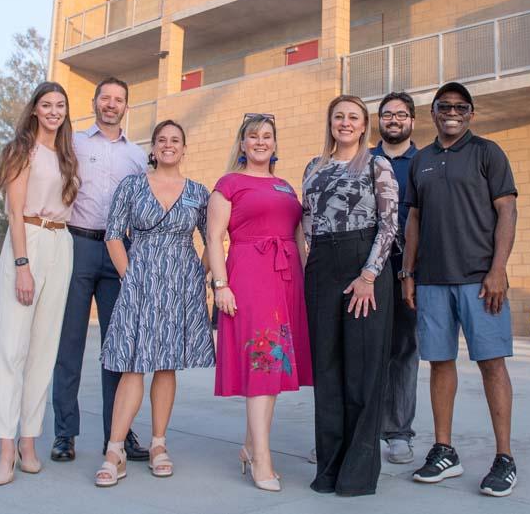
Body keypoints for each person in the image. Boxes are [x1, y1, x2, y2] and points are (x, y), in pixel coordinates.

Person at [401, 82, 519, 497]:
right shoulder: (422, 161)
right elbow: (413, 219)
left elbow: (507, 210)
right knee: (439, 363)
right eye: (444, 106)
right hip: (432, 280)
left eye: (460, 107)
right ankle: (444, 450)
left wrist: (498, 269)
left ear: (471, 113)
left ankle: (504, 457)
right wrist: (408, 272)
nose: (452, 112)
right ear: (432, 113)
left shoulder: (488, 153)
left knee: (492, 364)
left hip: (480, 279)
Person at [95, 120, 215, 487]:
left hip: (181, 284)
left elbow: (212, 237)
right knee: (133, 364)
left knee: (166, 366)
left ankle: (159, 445)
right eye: (162, 140)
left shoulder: (198, 191)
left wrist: (200, 272)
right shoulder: (131, 186)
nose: (168, 145)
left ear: (183, 148)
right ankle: (115, 450)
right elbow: (114, 235)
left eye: (175, 140)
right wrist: (129, 276)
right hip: (140, 279)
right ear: (154, 148)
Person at [205, 114, 312, 492]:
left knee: (277, 367)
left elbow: (298, 237)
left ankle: (250, 446)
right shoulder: (228, 184)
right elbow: (214, 236)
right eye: (253, 136)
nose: (261, 142)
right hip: (249, 277)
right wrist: (221, 286)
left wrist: (307, 281)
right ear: (242, 144)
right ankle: (262, 458)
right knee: (262, 364)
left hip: (287, 281)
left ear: (275, 144)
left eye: (268, 136)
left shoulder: (285, 185)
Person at [301, 94, 399, 496]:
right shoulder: (314, 167)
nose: (345, 122)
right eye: (338, 116)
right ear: (331, 123)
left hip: (364, 267)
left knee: (362, 371)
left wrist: (369, 275)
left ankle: (357, 474)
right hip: (323, 265)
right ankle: (329, 469)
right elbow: (306, 222)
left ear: (364, 126)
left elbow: (390, 225)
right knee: (327, 371)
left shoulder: (378, 164)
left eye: (353, 117)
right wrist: (310, 267)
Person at [0, 82, 81, 486]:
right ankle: (5, 449)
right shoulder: (20, 151)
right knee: (13, 350)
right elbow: (14, 212)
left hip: (62, 242)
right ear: (35, 111)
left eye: (60, 105)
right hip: (28, 240)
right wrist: (22, 264)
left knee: (44, 350)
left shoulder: (68, 156)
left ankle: (29, 441)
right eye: (47, 105)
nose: (54, 111)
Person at [51, 78, 149, 464]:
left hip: (120, 252)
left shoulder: (138, 157)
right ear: (94, 102)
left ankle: (118, 434)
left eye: (118, 99)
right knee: (69, 345)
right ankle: (64, 434)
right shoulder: (73, 144)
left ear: (127, 106)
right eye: (105, 98)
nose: (111, 104)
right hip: (77, 244)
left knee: (118, 348)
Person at [371, 92, 420, 465]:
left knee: (403, 350)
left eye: (401, 114)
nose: (393, 120)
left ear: (412, 121)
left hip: (407, 267)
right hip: (365, 269)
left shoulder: (424, 162)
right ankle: (360, 431)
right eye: (387, 114)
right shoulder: (361, 161)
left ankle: (398, 432)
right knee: (363, 349)